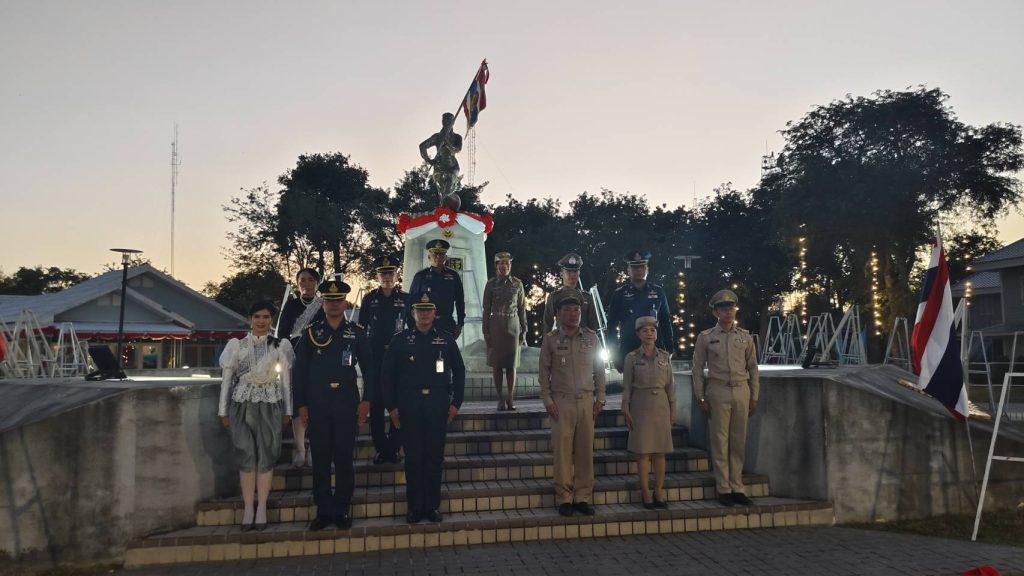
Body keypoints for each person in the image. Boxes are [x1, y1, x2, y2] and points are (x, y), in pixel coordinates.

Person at [292, 278, 373, 530]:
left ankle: (341, 509)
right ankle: (323, 510)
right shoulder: (311, 333)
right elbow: (300, 373)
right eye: (329, 300)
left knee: (344, 459)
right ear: (323, 304)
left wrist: (367, 401)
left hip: (346, 403)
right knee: (321, 459)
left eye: (338, 300)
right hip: (318, 404)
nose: (334, 304)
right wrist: (301, 405)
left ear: (346, 302)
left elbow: (370, 370)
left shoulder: (357, 333)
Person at [382, 291, 466, 524]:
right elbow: (387, 374)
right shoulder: (400, 340)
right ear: (413, 313)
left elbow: (459, 371)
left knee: (434, 458)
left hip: (437, 405)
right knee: (413, 458)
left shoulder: (446, 339)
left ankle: (432, 506)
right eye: (420, 310)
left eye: (428, 310)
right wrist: (391, 407)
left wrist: (456, 403)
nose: (425, 314)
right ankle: (415, 507)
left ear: (435, 313)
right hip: (409, 405)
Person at [218, 300, 294, 532]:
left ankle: (261, 507)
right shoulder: (237, 345)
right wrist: (223, 411)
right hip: (242, 404)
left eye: (266, 317)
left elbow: (286, 383)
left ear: (272, 320)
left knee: (267, 454)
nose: (261, 321)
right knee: (246, 453)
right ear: (250, 319)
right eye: (257, 316)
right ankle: (248, 508)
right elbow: (227, 381)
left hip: (270, 404)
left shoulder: (280, 345)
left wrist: (287, 411)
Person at [539, 289, 607, 517]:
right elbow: (543, 372)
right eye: (567, 310)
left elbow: (599, 370)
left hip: (587, 401)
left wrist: (601, 397)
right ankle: (564, 497)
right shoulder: (550, 339)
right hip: (561, 402)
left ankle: (583, 497)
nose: (573, 314)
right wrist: (547, 399)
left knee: (585, 451)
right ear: (558, 314)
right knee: (562, 452)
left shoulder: (591, 338)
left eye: (576, 310)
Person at [691, 289, 759, 507]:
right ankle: (723, 488)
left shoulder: (745, 337)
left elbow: (753, 368)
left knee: (738, 441)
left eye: (731, 308)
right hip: (718, 390)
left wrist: (754, 396)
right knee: (719, 441)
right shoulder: (706, 337)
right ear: (716, 313)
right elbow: (697, 369)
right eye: (723, 309)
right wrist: (700, 398)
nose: (728, 312)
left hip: (741, 390)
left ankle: (737, 486)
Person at [357, 255, 409, 464]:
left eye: (391, 273)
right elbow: (361, 328)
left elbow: (411, 328)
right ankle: (380, 448)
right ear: (377, 276)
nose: (387, 277)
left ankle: (394, 448)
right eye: (383, 274)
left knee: (398, 402)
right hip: (375, 356)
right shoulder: (369, 299)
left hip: (397, 357)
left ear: (397, 276)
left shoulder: (405, 299)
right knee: (376, 405)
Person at [621, 316, 675, 510]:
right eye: (644, 331)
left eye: (652, 330)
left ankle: (658, 491)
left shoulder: (665, 357)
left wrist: (673, 410)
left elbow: (670, 387)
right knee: (643, 453)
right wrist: (625, 407)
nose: (649, 334)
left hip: (661, 404)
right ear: (638, 334)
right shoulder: (632, 357)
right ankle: (645, 493)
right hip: (640, 405)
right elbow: (627, 386)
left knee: (660, 452)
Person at [276, 267, 323, 468]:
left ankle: (313, 449)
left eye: (311, 280)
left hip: (318, 360)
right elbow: (282, 334)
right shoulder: (291, 305)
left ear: (317, 283)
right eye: (302, 280)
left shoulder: (323, 305)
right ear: (297, 283)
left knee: (316, 404)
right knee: (298, 403)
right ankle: (300, 449)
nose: (306, 284)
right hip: (294, 359)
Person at [606, 250, 674, 372]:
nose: (639, 270)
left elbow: (666, 322)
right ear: (628, 270)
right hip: (629, 350)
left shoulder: (658, 292)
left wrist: (669, 349)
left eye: (642, 267)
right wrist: (615, 355)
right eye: (635, 267)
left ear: (647, 269)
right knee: (631, 384)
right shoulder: (620, 294)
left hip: (655, 350)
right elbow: (611, 326)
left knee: (657, 384)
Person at [482, 252, 527, 411]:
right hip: (496, 324)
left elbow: (522, 308)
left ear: (510, 266)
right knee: (497, 364)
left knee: (511, 365)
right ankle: (500, 398)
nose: (504, 266)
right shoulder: (490, 284)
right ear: (496, 265)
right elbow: (486, 309)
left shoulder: (517, 284)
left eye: (507, 263)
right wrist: (485, 331)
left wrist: (524, 329)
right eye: (501, 263)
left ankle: (510, 398)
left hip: (513, 324)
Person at [407, 239, 466, 338]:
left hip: (447, 324)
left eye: (441, 254)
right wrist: (412, 326)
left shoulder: (453, 276)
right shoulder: (420, 276)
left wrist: (460, 324)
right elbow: (411, 302)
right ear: (429, 257)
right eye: (435, 254)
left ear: (446, 257)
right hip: (424, 324)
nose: (438, 257)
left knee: (446, 348)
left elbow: (460, 301)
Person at [543, 252, 600, 334]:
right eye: (569, 271)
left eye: (575, 271)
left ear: (579, 273)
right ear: (561, 273)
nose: (572, 274)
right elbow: (547, 325)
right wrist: (547, 341)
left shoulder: (587, 297)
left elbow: (593, 326)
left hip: (583, 340)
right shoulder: (554, 297)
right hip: (561, 340)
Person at [418, 112, 463, 201]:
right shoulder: (437, 136)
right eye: (444, 121)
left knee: (449, 185)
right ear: (442, 122)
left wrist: (448, 144)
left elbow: (457, 150)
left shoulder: (457, 137)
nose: (446, 123)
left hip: (452, 166)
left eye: (449, 121)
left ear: (453, 122)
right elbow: (422, 146)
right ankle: (442, 205)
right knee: (441, 192)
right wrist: (428, 160)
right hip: (439, 167)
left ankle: (447, 204)